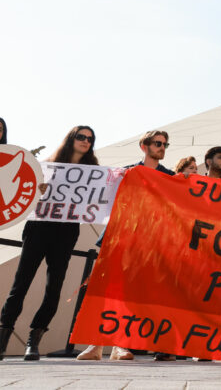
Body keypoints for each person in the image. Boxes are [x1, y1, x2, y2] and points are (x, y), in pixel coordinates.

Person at [1, 126, 97, 361]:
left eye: (90, 139)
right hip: (39, 227)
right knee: (20, 285)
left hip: (66, 231)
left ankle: (34, 340)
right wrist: (38, 190)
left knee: (54, 288)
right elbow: (26, 193)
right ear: (71, 139)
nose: (86, 141)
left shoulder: (93, 172)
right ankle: (3, 337)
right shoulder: (46, 165)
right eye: (81, 137)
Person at [79, 129, 175, 362]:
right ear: (144, 146)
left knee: (131, 293)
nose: (162, 147)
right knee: (106, 290)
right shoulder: (125, 172)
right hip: (117, 237)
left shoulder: (170, 177)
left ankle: (120, 344)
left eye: (165, 144)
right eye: (157, 143)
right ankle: (95, 344)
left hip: (147, 242)